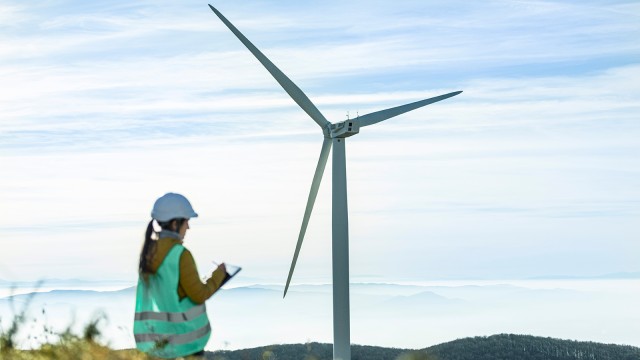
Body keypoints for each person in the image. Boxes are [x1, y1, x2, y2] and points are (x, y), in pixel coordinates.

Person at [133, 193, 227, 358]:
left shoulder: (149, 254)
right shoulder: (180, 255)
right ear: (175, 223)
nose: (188, 227)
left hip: (156, 343)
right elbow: (199, 295)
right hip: (185, 345)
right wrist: (220, 275)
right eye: (186, 222)